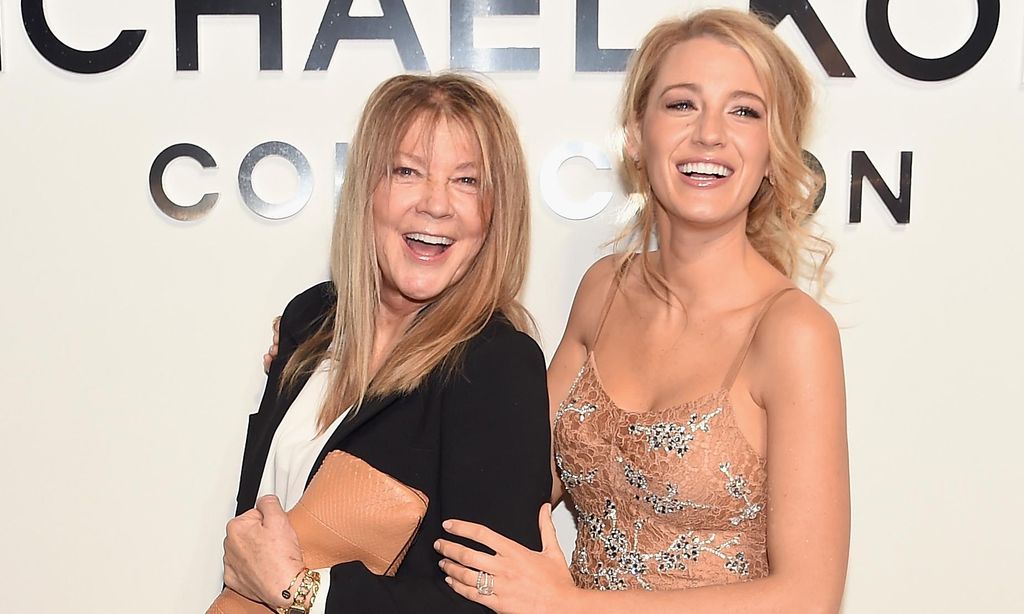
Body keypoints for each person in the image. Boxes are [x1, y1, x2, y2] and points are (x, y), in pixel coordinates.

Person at [433, 9, 850, 613]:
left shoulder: (792, 332)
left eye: (744, 111)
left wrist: (568, 607)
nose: (710, 133)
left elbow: (808, 598)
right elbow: (514, 475)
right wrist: (362, 349)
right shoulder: (604, 290)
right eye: (682, 104)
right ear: (636, 135)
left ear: (772, 151)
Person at [221, 73, 552, 613]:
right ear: (366, 189)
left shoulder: (495, 365)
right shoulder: (310, 321)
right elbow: (252, 538)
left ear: (495, 214)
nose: (436, 204)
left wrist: (306, 593)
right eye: (407, 171)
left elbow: (488, 602)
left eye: (466, 182)